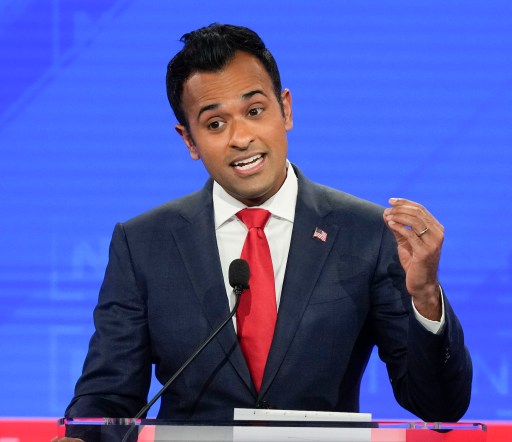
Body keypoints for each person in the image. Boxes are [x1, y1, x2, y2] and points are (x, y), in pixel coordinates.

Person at [54, 23, 471, 441]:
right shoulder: (143, 245)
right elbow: (106, 401)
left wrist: (426, 296)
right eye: (215, 124)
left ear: (285, 110)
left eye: (255, 111)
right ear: (189, 140)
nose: (241, 138)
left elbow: (439, 406)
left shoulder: (365, 233)